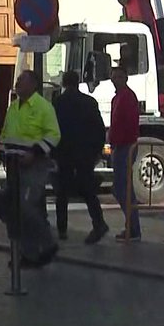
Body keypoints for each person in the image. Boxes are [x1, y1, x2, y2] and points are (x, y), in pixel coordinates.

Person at [0, 70, 62, 268]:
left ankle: (46, 244)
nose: (17, 83)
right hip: (13, 166)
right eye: (17, 80)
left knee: (25, 207)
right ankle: (27, 252)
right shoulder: (14, 107)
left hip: (34, 166)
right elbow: (6, 133)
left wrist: (35, 152)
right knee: (8, 207)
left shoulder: (44, 107)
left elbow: (54, 135)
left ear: (33, 85)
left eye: (21, 80)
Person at [51, 71, 109, 244]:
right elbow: (99, 129)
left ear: (64, 83)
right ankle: (98, 222)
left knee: (62, 192)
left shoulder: (58, 103)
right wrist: (96, 151)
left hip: (64, 153)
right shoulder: (89, 102)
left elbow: (53, 130)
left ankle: (62, 229)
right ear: (78, 83)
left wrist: (53, 154)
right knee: (88, 191)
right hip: (85, 154)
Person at [108, 65, 142, 242]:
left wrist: (118, 141)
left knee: (123, 188)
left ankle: (133, 227)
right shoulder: (118, 98)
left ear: (125, 78)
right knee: (121, 188)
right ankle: (132, 226)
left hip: (125, 146)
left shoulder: (127, 97)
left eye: (119, 77)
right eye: (114, 77)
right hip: (119, 146)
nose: (116, 80)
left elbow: (127, 124)